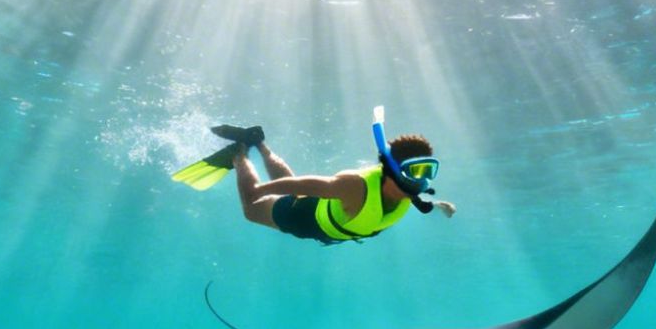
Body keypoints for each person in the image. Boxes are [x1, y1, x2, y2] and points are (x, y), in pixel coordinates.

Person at [172, 111, 455, 245]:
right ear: (391, 168)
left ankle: (259, 142)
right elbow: (303, 185)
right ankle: (239, 154)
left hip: (324, 221)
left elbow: (418, 201)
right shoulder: (355, 187)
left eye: (427, 171)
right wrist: (260, 189)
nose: (420, 181)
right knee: (250, 210)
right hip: (302, 218)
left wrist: (440, 205)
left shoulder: (407, 192)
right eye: (414, 171)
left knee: (292, 189)